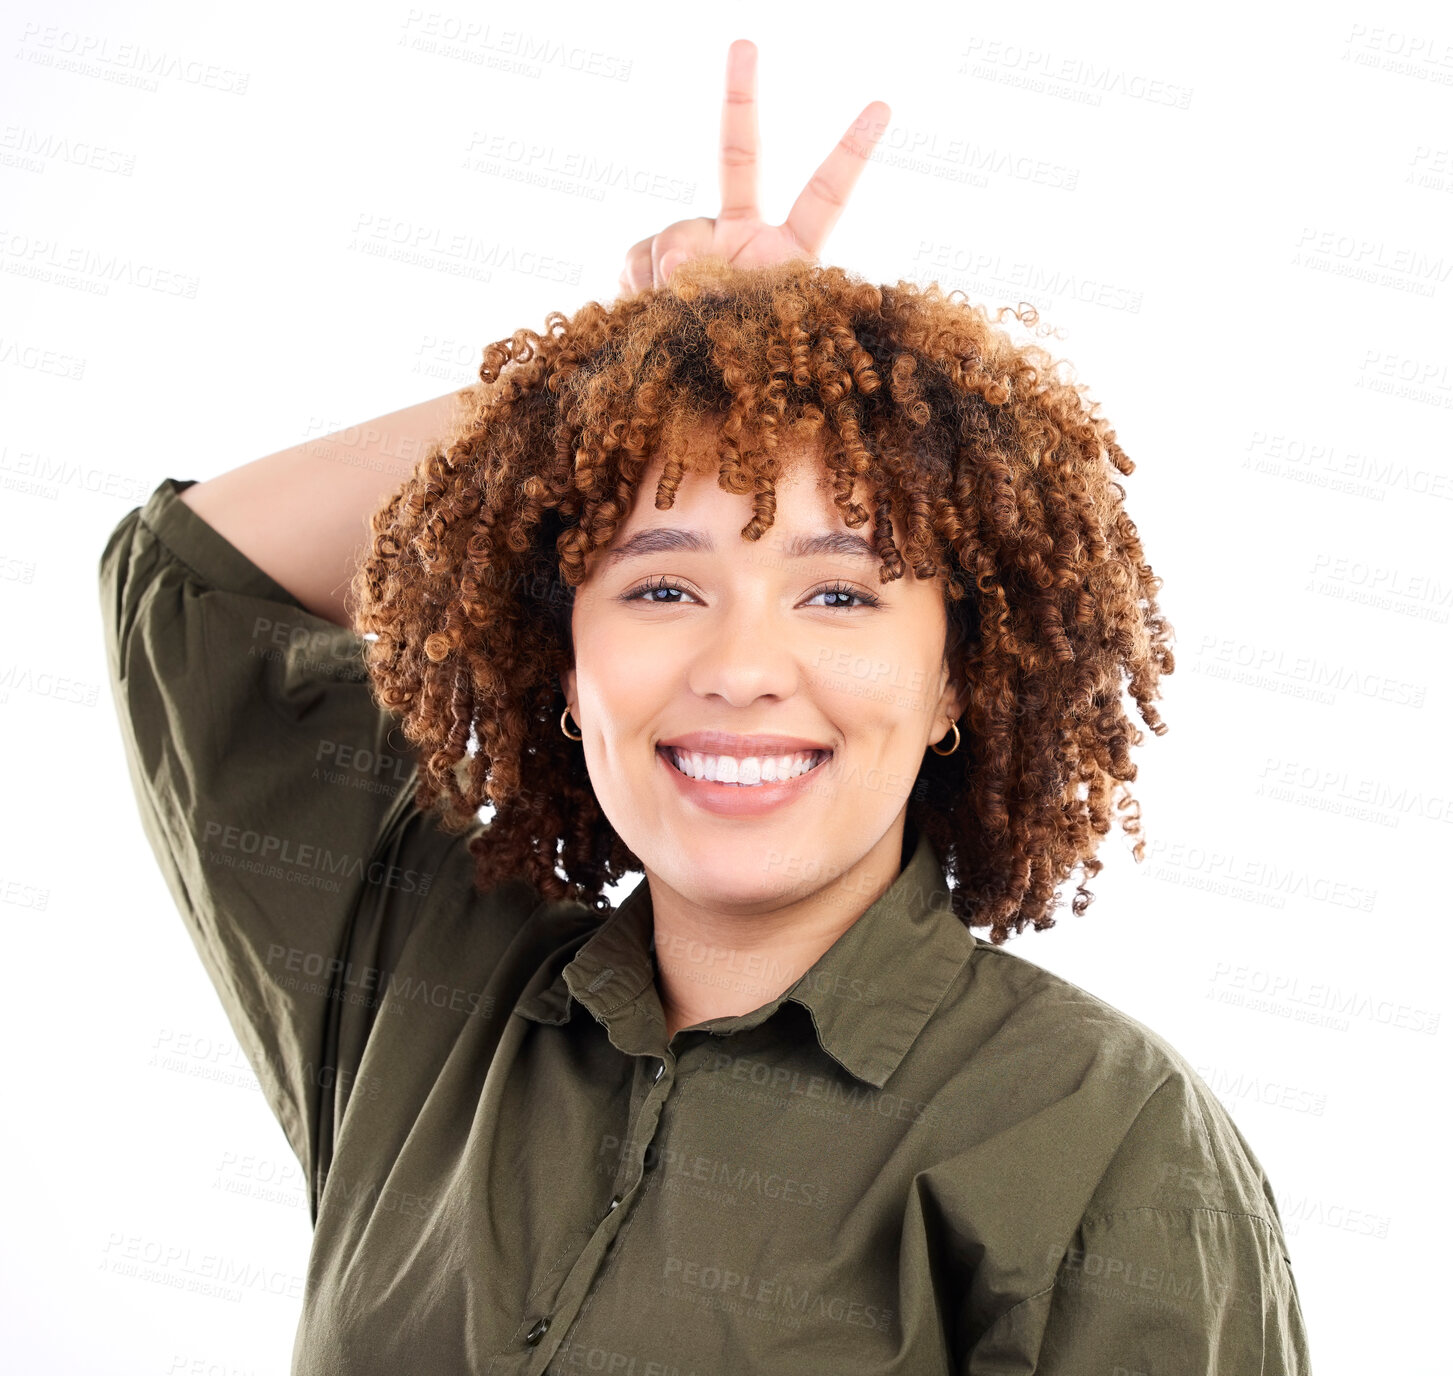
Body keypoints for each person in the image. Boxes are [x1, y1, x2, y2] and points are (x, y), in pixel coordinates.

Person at [98, 38, 1311, 1376]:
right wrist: (616, 374)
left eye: (839, 597)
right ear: (563, 659)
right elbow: (195, 584)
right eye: (662, 590)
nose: (739, 667)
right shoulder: (422, 988)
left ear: (957, 675)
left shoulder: (1101, 1137)